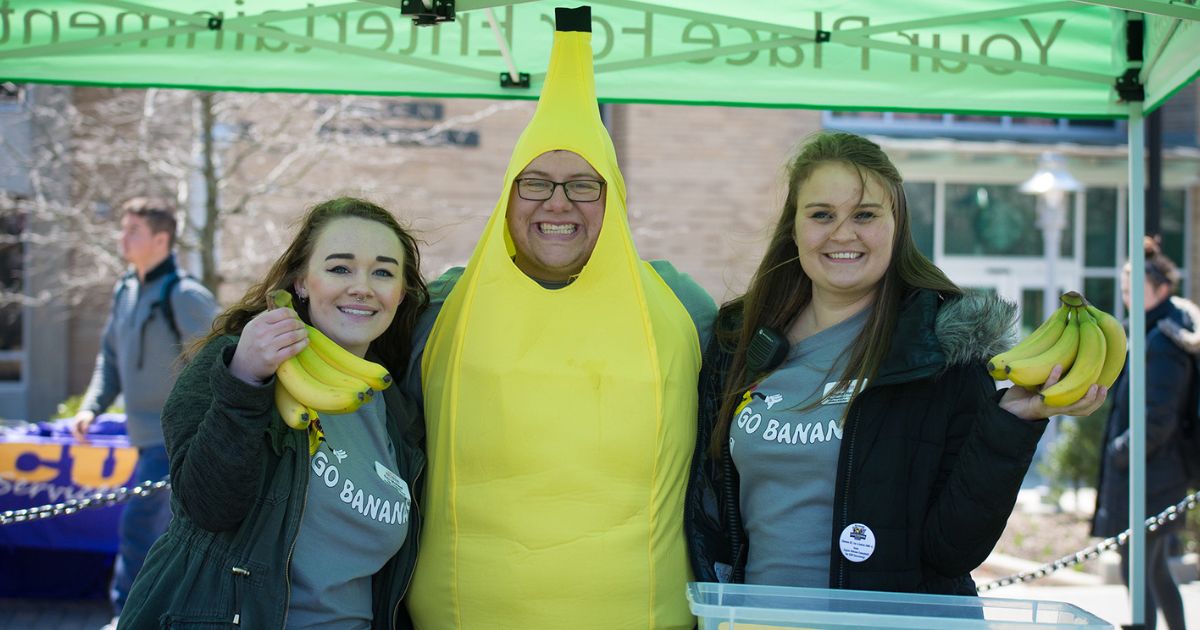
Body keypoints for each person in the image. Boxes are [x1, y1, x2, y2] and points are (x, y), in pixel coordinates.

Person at [685, 131, 1107, 595]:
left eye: (865, 215)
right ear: (795, 227)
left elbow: (952, 551)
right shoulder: (738, 341)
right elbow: (709, 515)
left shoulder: (943, 348)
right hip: (760, 623)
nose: (843, 233)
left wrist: (1010, 424)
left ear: (897, 223)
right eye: (822, 215)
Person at [403, 7, 715, 629]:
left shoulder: (682, 305)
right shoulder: (440, 308)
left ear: (615, 200)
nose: (558, 203)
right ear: (507, 196)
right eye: (535, 182)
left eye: (583, 185)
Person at [115, 197, 429, 629]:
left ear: (402, 292)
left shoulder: (398, 411)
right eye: (339, 268)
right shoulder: (235, 363)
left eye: (383, 272)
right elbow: (208, 508)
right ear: (301, 281)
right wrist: (244, 382)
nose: (362, 286)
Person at [70, 197, 219, 627]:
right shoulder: (125, 289)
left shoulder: (186, 295)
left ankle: (128, 618)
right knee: (159, 534)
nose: (122, 237)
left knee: (139, 530)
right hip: (144, 439)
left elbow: (221, 359)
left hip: (175, 441)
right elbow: (110, 359)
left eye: (133, 230)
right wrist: (91, 406)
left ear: (161, 239)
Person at [1091, 237, 1192, 630]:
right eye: (1125, 290)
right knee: (1154, 570)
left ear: (1162, 289)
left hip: (1152, 476)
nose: (1128, 298)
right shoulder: (1149, 333)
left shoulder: (1161, 342)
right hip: (1152, 473)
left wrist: (1121, 451)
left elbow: (1158, 417)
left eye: (1135, 291)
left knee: (1138, 569)